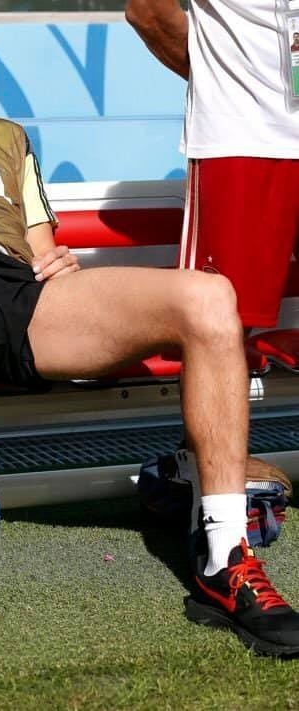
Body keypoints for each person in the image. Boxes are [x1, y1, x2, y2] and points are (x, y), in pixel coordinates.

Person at [0, 1, 299, 699]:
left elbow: (41, 246)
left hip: (26, 295)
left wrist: (59, 260)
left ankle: (225, 557)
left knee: (208, 295)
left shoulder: (3, 134)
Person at [125, 0, 299, 648]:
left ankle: (191, 476)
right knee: (221, 325)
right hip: (244, 139)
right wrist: (234, 80)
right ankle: (219, 539)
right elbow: (146, 10)